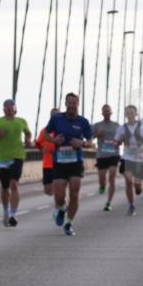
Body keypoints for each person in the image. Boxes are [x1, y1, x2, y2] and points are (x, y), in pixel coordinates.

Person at [43, 93, 93, 236]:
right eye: (69, 102)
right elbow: (46, 134)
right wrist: (54, 141)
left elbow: (90, 141)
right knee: (59, 196)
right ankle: (62, 209)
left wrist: (82, 143)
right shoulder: (57, 118)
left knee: (74, 193)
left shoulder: (83, 121)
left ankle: (69, 223)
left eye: (74, 102)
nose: (71, 105)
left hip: (75, 162)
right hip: (59, 161)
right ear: (66, 104)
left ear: (78, 104)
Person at [0, 99, 31, 226]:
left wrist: (28, 139)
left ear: (15, 109)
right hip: (2, 158)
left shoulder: (21, 121)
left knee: (14, 185)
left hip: (18, 156)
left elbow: (28, 133)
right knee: (5, 188)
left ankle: (13, 214)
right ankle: (6, 211)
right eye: (6, 107)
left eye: (11, 107)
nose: (9, 109)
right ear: (3, 109)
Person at [115, 105, 143, 216]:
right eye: (128, 113)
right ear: (126, 115)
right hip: (127, 158)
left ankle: (139, 188)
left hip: (140, 159)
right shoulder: (122, 128)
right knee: (128, 182)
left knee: (137, 185)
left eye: (132, 112)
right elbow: (117, 140)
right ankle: (131, 205)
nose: (130, 115)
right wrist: (118, 142)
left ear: (136, 114)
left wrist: (142, 151)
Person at [92, 104, 121, 211]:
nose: (106, 113)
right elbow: (89, 136)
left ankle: (108, 203)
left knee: (112, 177)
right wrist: (96, 134)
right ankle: (102, 185)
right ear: (102, 113)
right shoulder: (97, 125)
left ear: (111, 112)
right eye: (104, 111)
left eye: (108, 111)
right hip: (102, 155)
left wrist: (119, 142)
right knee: (102, 179)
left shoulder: (116, 125)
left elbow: (122, 138)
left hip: (113, 154)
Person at [35, 108, 59, 197]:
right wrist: (42, 149)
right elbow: (37, 143)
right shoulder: (44, 131)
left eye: (56, 115)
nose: (54, 116)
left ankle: (59, 205)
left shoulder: (62, 130)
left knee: (58, 186)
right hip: (47, 164)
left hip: (59, 163)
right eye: (53, 115)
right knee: (47, 190)